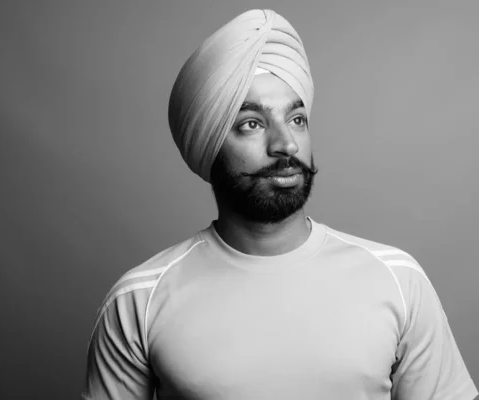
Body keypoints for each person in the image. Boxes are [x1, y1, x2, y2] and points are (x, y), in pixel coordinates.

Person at [82, 9, 478, 400]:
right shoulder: (139, 300)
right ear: (207, 145)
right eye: (251, 123)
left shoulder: (399, 281)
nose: (286, 145)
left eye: (297, 119)